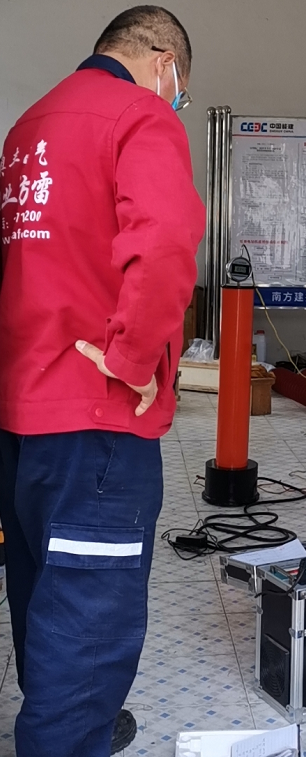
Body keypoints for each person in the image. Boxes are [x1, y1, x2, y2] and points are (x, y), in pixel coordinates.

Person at [0, 6, 205, 757]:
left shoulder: (28, 128)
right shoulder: (140, 116)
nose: (177, 99)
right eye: (180, 86)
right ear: (163, 60)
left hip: (21, 407)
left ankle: (65, 718)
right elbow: (167, 241)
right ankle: (66, 735)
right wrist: (134, 360)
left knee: (39, 581)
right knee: (89, 607)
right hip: (95, 413)